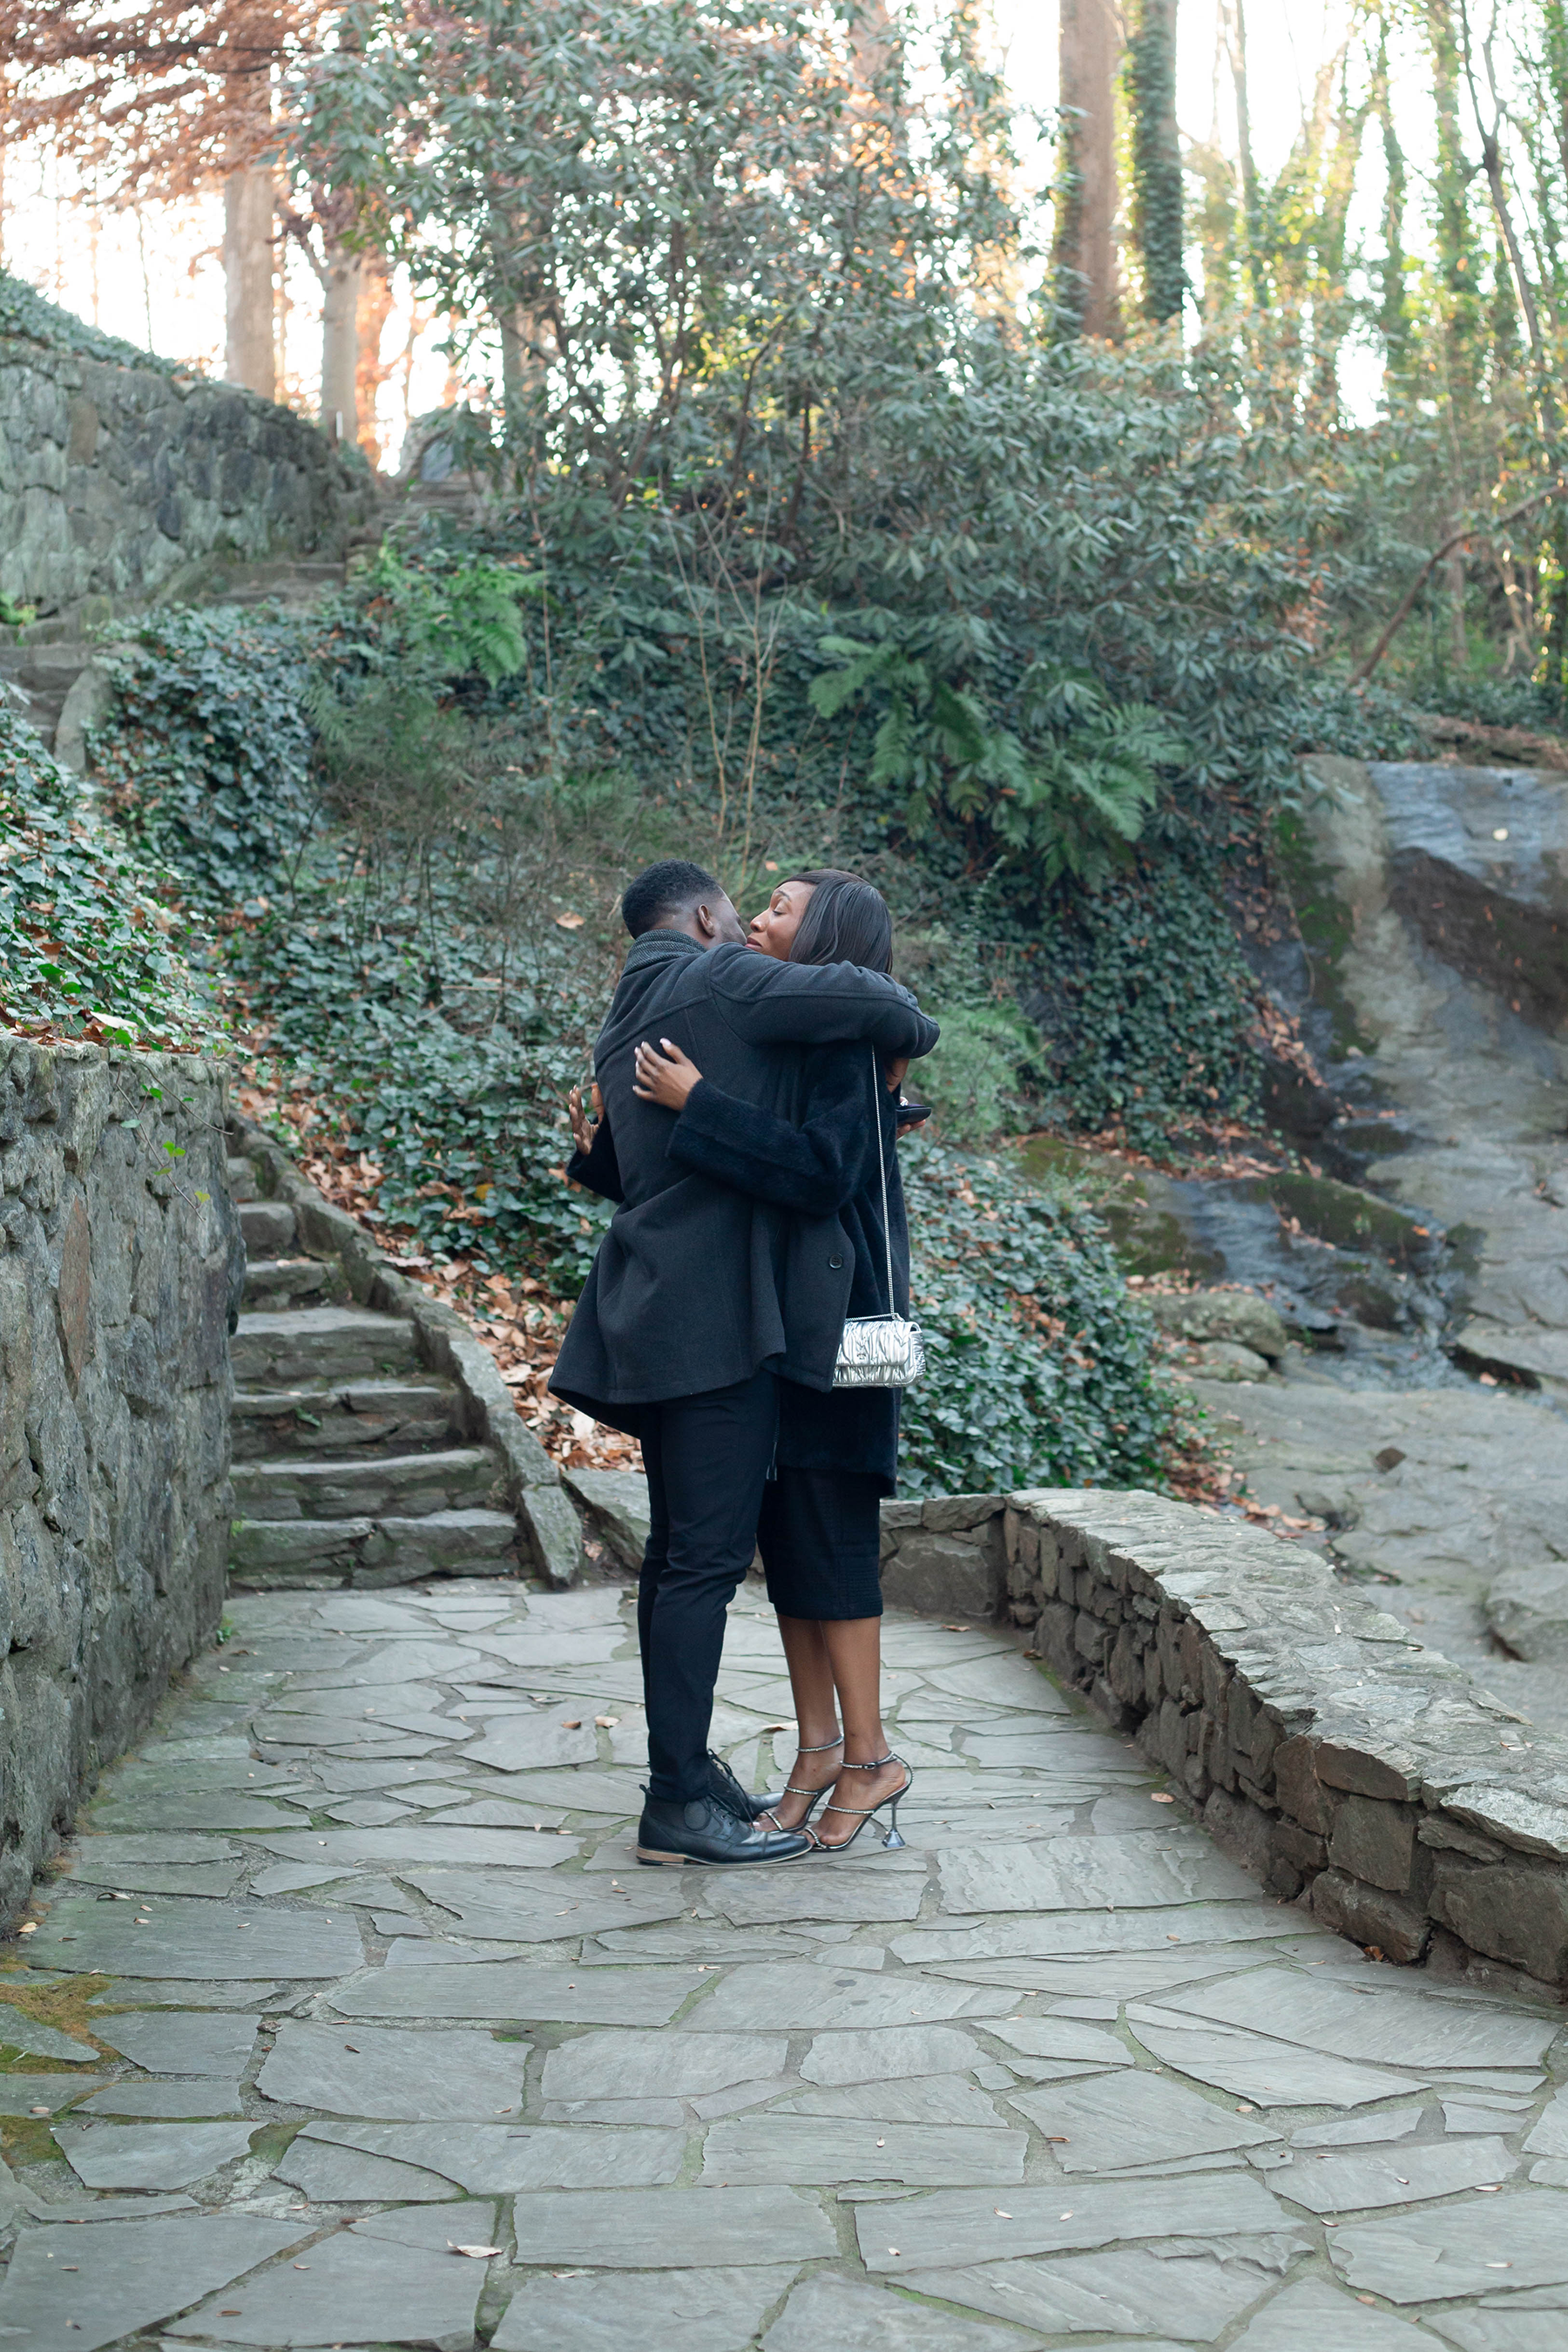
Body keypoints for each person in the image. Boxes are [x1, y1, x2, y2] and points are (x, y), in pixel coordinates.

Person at [550, 858, 937, 1869]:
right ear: (710, 919)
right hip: (734, 1325)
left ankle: (834, 1760)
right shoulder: (729, 987)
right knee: (712, 1563)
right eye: (757, 905)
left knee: (762, 1553)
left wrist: (700, 1106)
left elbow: (824, 1171)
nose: (760, 920)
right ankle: (701, 1788)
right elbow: (876, 1012)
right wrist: (910, 1030)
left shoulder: (646, 1004)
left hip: (812, 1328)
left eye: (785, 908)